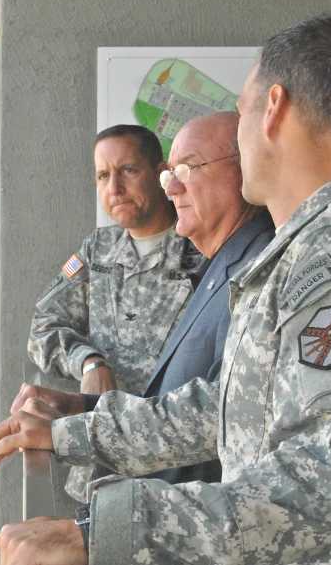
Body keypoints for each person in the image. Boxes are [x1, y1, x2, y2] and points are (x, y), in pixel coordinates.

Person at [0, 14, 331, 565]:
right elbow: (226, 409)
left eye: (242, 111)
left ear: (273, 108)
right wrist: (73, 434)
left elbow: (319, 482)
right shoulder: (309, 252)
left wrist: (97, 533)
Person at [80, 111, 274, 490]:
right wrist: (80, 403)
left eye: (188, 169)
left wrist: (71, 432)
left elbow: (219, 412)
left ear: (243, 170)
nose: (172, 189)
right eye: (172, 175)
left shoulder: (256, 268)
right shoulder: (225, 265)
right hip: (147, 487)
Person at [29, 124, 204, 500]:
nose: (114, 188)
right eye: (103, 176)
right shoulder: (97, 250)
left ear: (161, 174)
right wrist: (89, 362)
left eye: (128, 171)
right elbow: (44, 325)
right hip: (100, 466)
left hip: (177, 476)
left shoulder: (201, 251)